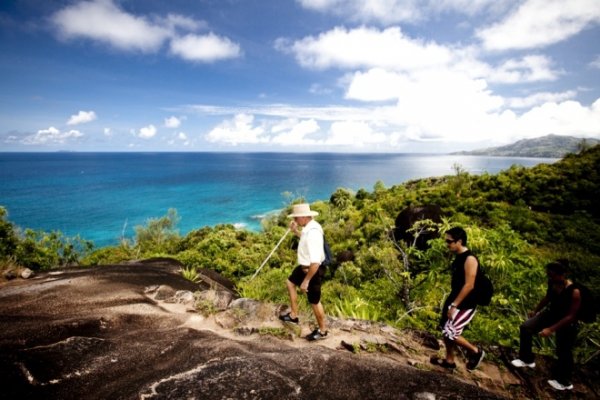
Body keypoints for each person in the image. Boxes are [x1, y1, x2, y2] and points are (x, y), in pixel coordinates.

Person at [511, 260, 582, 391]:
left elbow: (571, 316)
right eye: (548, 275)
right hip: (552, 313)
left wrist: (551, 329)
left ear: (562, 275)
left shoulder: (574, 291)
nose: (550, 277)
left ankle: (564, 382)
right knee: (526, 327)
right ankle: (527, 359)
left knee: (564, 351)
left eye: (552, 275)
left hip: (568, 322)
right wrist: (536, 310)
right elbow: (548, 298)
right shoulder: (553, 283)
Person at [430, 227, 485, 370]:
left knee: (451, 331)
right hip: (455, 298)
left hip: (466, 302)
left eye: (449, 241)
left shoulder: (470, 259)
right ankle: (449, 361)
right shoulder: (459, 257)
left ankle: (476, 351)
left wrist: (454, 305)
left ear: (459, 241)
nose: (447, 244)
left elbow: (469, 285)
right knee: (445, 328)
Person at [279, 203, 328, 341]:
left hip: (312, 270)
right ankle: (294, 316)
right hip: (304, 266)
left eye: (296, 218)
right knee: (290, 283)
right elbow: (306, 241)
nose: (295, 221)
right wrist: (295, 231)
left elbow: (316, 262)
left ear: (305, 217)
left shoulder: (313, 232)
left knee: (314, 301)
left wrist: (306, 281)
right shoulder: (308, 228)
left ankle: (323, 331)